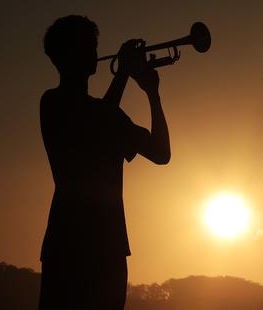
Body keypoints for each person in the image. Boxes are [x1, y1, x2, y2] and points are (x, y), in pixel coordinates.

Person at [38, 15, 170, 309]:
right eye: (87, 46)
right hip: (69, 245)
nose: (94, 53)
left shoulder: (111, 115)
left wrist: (153, 94)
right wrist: (122, 74)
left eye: (93, 45)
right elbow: (91, 129)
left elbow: (161, 154)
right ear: (64, 56)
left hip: (109, 249)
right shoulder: (52, 103)